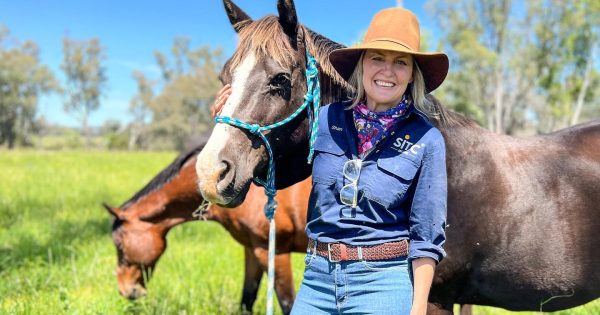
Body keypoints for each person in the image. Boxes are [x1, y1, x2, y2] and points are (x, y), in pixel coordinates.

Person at [212, 7, 448, 315]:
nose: (387, 71)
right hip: (317, 282)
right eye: (377, 58)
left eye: (400, 62)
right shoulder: (325, 119)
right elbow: (272, 171)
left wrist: (418, 308)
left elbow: (426, 237)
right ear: (362, 65)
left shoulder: (426, 140)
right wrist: (229, 126)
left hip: (383, 285)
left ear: (412, 73)